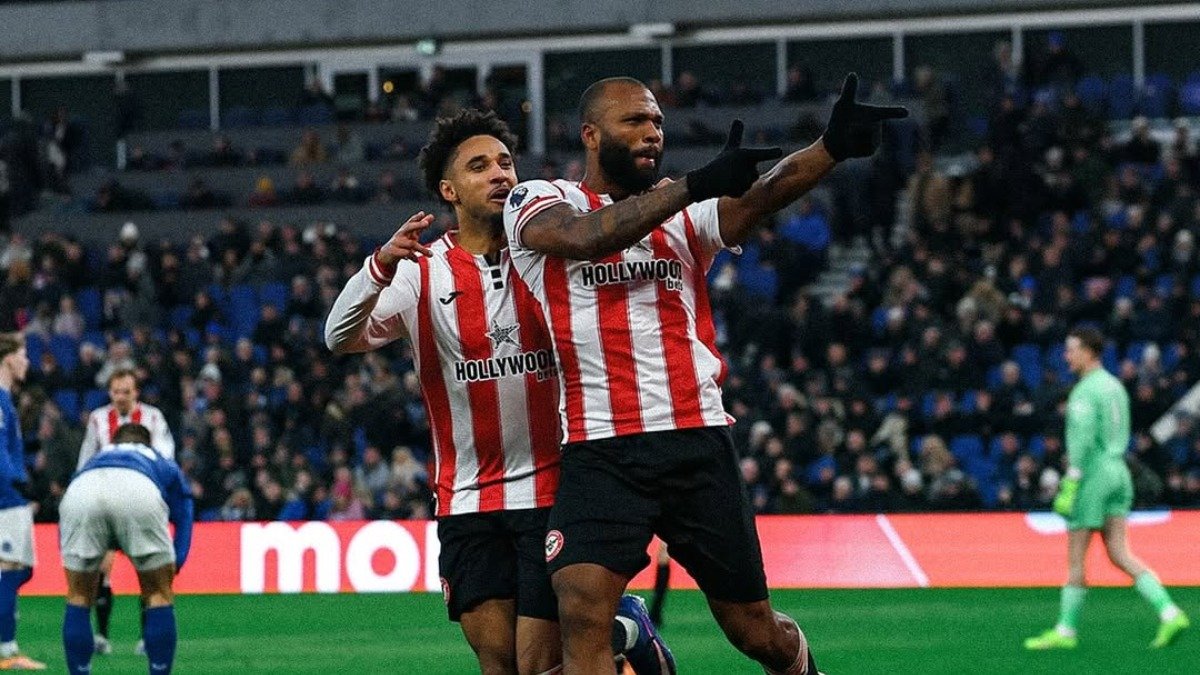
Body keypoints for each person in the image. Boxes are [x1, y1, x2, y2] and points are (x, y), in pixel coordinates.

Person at [502, 73, 904, 675]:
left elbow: (760, 197)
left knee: (753, 631)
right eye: (634, 121)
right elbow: (587, 237)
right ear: (590, 134)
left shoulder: (684, 215)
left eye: (658, 122)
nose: (652, 133)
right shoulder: (537, 200)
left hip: (695, 440)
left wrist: (830, 148)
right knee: (580, 611)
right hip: (600, 448)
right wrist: (693, 185)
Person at [326, 109, 672, 675]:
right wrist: (379, 266)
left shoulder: (550, 250)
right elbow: (338, 337)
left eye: (506, 162)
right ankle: (623, 628)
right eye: (479, 165)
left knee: (540, 663)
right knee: (499, 662)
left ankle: (614, 629)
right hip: (465, 499)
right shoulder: (421, 270)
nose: (499, 174)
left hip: (554, 490)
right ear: (448, 190)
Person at [1024, 327, 1190, 651]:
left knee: (1075, 559)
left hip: (1094, 475)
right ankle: (1169, 612)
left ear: (1089, 351)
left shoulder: (1085, 392)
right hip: (1119, 471)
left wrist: (1071, 480)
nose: (1066, 356)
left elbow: (1083, 440)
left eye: (1072, 350)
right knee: (1119, 552)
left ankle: (1066, 631)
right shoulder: (1115, 386)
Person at [59, 423, 193, 675]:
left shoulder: (95, 458)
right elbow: (184, 509)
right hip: (138, 489)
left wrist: (67, 554)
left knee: (78, 595)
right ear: (147, 443)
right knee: (158, 595)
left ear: (114, 441)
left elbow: (69, 499)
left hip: (82, 491)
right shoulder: (158, 458)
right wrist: (178, 558)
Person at [79, 368, 176, 656]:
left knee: (148, 571)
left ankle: (147, 637)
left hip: (141, 501)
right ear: (110, 393)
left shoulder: (153, 418)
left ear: (136, 392)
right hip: (105, 500)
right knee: (102, 568)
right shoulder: (98, 419)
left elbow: (164, 457)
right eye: (116, 392)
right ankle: (102, 636)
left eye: (126, 391)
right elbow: (86, 457)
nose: (121, 397)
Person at [0, 334, 44, 671]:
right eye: (23, 355)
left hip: (11, 495)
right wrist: (15, 478)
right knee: (9, 570)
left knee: (20, 570)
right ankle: (6, 651)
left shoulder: (7, 400)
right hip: (4, 497)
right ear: (8, 359)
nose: (27, 362)